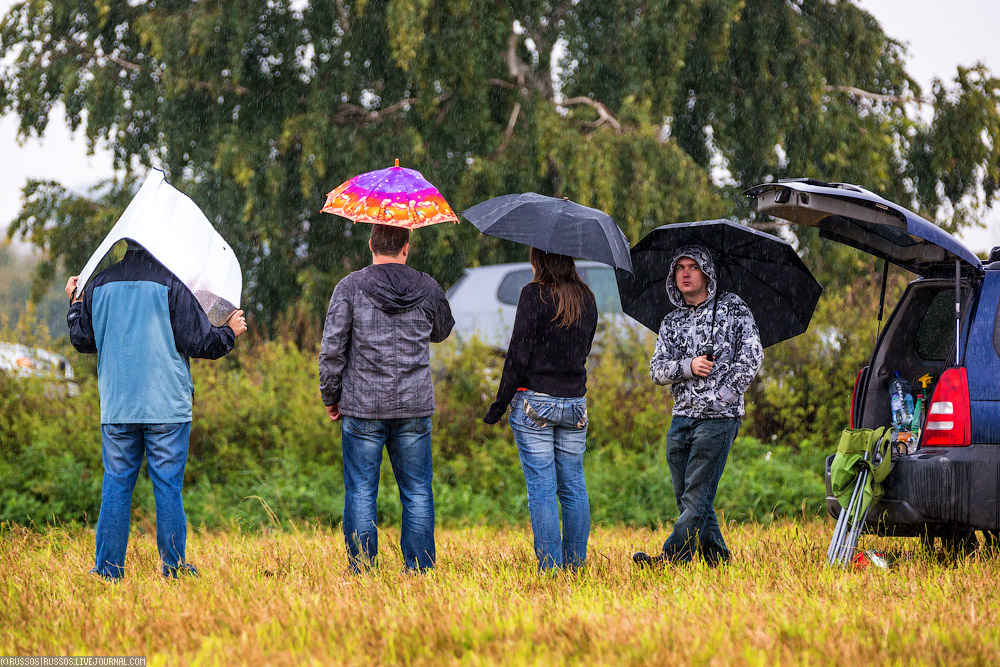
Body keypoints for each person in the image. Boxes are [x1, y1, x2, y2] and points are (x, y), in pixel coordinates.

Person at [66, 241, 246, 581]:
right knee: (167, 486)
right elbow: (199, 342)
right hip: (167, 405)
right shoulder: (172, 284)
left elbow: (83, 340)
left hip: (118, 405)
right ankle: (174, 568)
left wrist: (75, 304)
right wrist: (229, 333)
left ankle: (107, 571)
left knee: (117, 484)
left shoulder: (99, 283)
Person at [319, 224, 454, 573]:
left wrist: (331, 396)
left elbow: (332, 349)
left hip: (362, 405)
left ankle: (362, 569)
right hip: (413, 404)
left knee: (362, 492)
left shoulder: (349, 287)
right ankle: (420, 570)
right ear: (406, 247)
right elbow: (442, 330)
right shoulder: (427, 286)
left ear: (371, 245)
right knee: (418, 492)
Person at [633, 245, 762, 568]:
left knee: (695, 496)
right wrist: (688, 366)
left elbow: (752, 355)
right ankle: (718, 558)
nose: (686, 273)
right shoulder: (671, 321)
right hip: (681, 417)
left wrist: (723, 398)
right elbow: (656, 370)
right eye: (680, 268)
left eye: (693, 267)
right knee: (689, 498)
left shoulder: (732, 309)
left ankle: (671, 558)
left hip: (719, 419)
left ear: (707, 272)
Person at [484, 248, 598, 571]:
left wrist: (500, 403)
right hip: (575, 403)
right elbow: (585, 348)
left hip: (536, 402)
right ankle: (574, 566)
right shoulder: (586, 297)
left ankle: (551, 568)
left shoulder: (534, 295)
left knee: (543, 489)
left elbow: (517, 355)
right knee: (574, 486)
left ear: (539, 258)